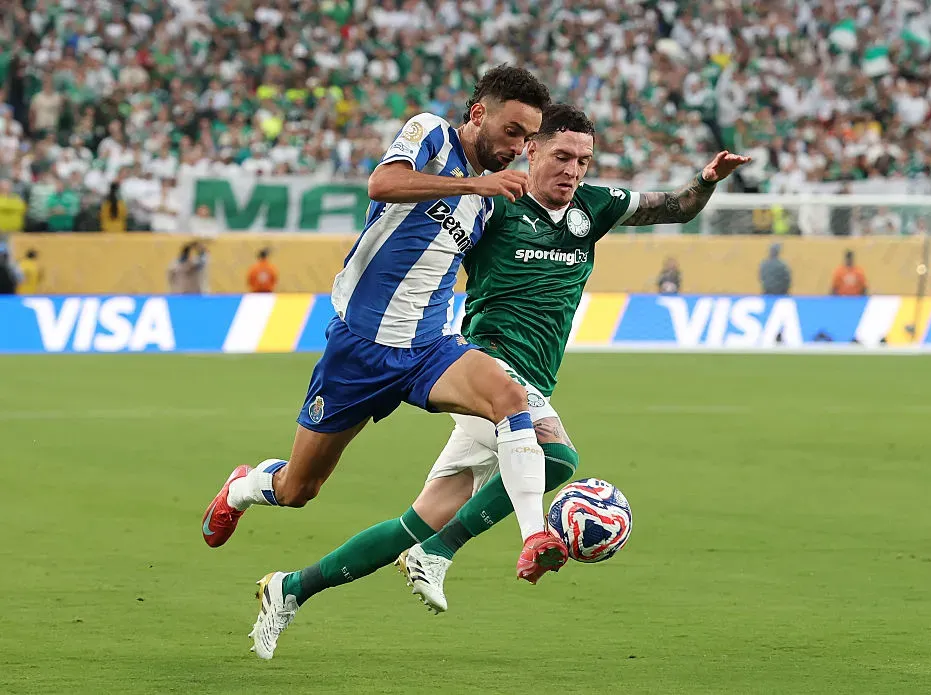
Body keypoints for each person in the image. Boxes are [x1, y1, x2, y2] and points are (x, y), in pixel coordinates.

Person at [246, 104, 749, 658]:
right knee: (557, 457)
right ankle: (448, 550)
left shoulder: (596, 206)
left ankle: (291, 588)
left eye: (583, 160)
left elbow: (675, 207)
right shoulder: (494, 204)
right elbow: (421, 223)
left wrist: (707, 178)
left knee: (418, 521)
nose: (573, 170)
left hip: (536, 380)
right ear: (532, 149)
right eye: (561, 155)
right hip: (484, 366)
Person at [201, 67, 558, 658]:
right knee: (298, 488)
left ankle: (532, 535)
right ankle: (244, 487)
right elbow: (382, 183)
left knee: (508, 399)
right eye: (512, 131)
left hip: (428, 348)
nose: (517, 147)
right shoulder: (432, 135)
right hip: (360, 349)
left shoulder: (495, 199)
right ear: (478, 114)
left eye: (527, 138)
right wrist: (476, 185)